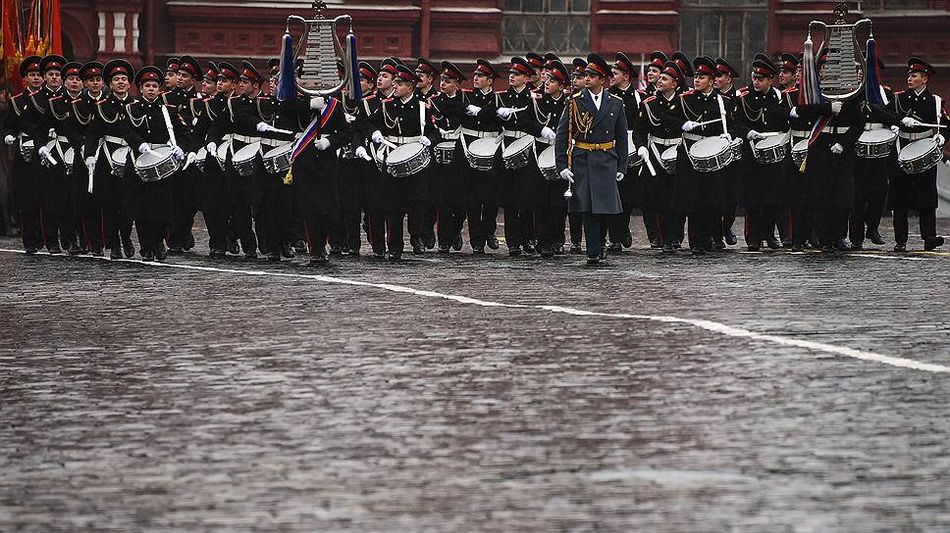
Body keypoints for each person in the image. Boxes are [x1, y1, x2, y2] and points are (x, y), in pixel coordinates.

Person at [555, 53, 628, 265]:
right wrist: (561, 165)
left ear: (602, 80)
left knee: (604, 208)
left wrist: (622, 164)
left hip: (606, 159)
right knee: (587, 207)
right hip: (582, 159)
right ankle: (593, 250)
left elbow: (621, 137)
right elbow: (562, 136)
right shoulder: (575, 102)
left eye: (592, 76)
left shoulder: (616, 103)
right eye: (586, 75)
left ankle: (600, 242)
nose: (587, 79)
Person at [120, 65, 191, 261]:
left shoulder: (168, 110)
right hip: (138, 161)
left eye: (154, 86)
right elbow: (126, 131)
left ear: (159, 89)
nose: (151, 89)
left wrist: (181, 148)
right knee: (141, 208)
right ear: (140, 88)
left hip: (162, 163)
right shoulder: (130, 108)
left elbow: (184, 133)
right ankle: (146, 247)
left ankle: (158, 241)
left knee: (162, 207)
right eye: (147, 86)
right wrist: (139, 144)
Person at [666, 56, 736, 254]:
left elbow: (732, 124)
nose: (697, 80)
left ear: (712, 81)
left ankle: (712, 237)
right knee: (693, 200)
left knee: (713, 200)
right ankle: (696, 242)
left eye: (702, 77)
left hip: (713, 154)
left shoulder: (723, 102)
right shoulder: (685, 99)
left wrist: (730, 137)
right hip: (690, 153)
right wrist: (681, 124)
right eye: (696, 76)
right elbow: (667, 118)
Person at [367, 65, 437, 260]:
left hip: (416, 162)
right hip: (392, 158)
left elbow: (434, 131)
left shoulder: (422, 107)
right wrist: (375, 132)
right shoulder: (387, 105)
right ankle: (395, 246)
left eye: (399, 84)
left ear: (411, 86)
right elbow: (368, 123)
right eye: (395, 82)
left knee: (417, 203)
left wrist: (429, 140)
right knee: (392, 206)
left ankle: (416, 237)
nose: (395, 87)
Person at [886, 56, 949, 251]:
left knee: (927, 196)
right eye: (909, 76)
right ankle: (900, 240)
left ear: (925, 79)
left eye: (914, 76)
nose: (909, 79)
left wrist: (942, 138)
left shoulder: (935, 101)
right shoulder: (899, 98)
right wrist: (899, 120)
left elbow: (945, 125)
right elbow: (882, 114)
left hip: (924, 151)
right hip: (903, 149)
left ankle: (929, 237)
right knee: (900, 197)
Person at [733, 58, 789, 251]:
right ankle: (753, 237)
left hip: (774, 152)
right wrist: (747, 132)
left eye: (761, 79)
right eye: (754, 78)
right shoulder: (743, 97)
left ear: (770, 80)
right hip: (752, 152)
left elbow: (785, 122)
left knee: (772, 197)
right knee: (752, 198)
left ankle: (769, 234)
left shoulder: (779, 97)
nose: (756, 82)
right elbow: (735, 123)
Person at [633, 60, 686, 252]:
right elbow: (639, 130)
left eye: (665, 78)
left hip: (677, 151)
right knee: (658, 198)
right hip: (655, 152)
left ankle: (676, 236)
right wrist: (640, 147)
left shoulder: (684, 102)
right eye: (660, 78)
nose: (660, 81)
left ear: (675, 84)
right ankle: (664, 238)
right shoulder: (650, 104)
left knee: (677, 197)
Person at [608, 52, 651, 250]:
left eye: (615, 73)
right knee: (611, 193)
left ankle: (623, 229)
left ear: (626, 76)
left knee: (627, 194)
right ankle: (615, 236)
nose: (611, 76)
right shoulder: (606, 95)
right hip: (611, 148)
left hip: (631, 148)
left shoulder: (639, 97)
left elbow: (641, 124)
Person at [2, 56, 46, 253]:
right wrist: (9, 136)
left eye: (38, 75)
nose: (36, 78)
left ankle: (50, 237)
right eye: (32, 75)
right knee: (27, 197)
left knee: (47, 196)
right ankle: (30, 239)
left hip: (47, 150)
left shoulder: (50, 99)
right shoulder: (17, 101)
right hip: (25, 152)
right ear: (25, 78)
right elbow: (9, 125)